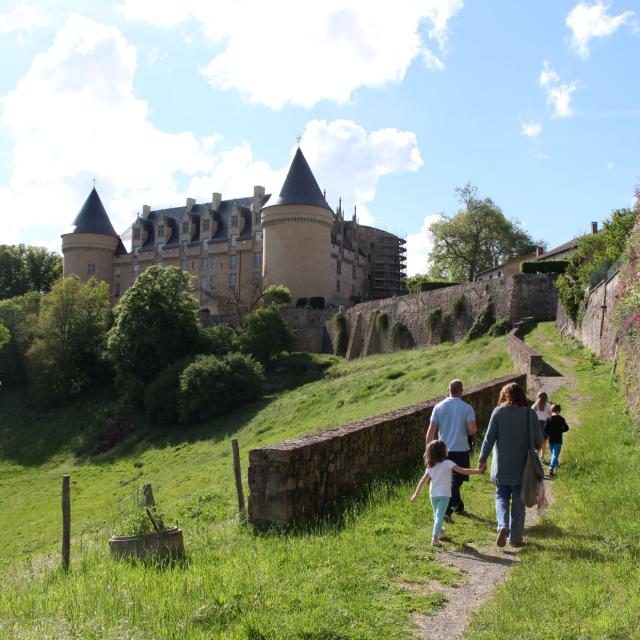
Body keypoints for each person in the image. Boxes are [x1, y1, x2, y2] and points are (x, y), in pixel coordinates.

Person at [477, 382, 543, 548]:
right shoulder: (530, 414)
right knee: (519, 501)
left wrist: (482, 460)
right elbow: (539, 443)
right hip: (523, 467)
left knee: (501, 496)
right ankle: (515, 538)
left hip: (502, 466)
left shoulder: (498, 412)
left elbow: (488, 439)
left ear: (505, 396)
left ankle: (502, 525)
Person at [410, 440, 484, 546]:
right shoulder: (448, 463)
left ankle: (440, 531)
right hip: (444, 495)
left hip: (433, 495)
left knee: (437, 515)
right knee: (439, 516)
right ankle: (434, 538)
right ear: (443, 451)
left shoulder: (430, 467)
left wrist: (415, 495)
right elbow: (463, 471)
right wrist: (478, 471)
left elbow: (422, 481)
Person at [425, 379, 477, 517]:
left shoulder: (438, 407)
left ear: (448, 390)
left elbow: (431, 431)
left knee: (450, 480)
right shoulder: (467, 408)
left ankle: (458, 505)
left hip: (442, 451)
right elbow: (472, 430)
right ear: (461, 391)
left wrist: (428, 450)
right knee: (455, 481)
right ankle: (446, 510)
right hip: (461, 450)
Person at [544, 404, 569, 476]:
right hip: (558, 439)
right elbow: (567, 428)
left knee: (553, 454)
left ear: (552, 411)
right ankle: (551, 468)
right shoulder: (561, 419)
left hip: (551, 439)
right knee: (555, 454)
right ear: (559, 411)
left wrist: (549, 434)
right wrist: (561, 430)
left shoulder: (548, 419)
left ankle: (556, 466)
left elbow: (545, 429)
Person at [532, 391, 552, 462]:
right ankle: (542, 456)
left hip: (536, 424)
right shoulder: (548, 405)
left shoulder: (534, 405)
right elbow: (550, 415)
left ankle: (536, 456)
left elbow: (532, 415)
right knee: (544, 441)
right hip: (545, 424)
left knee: (536, 440)